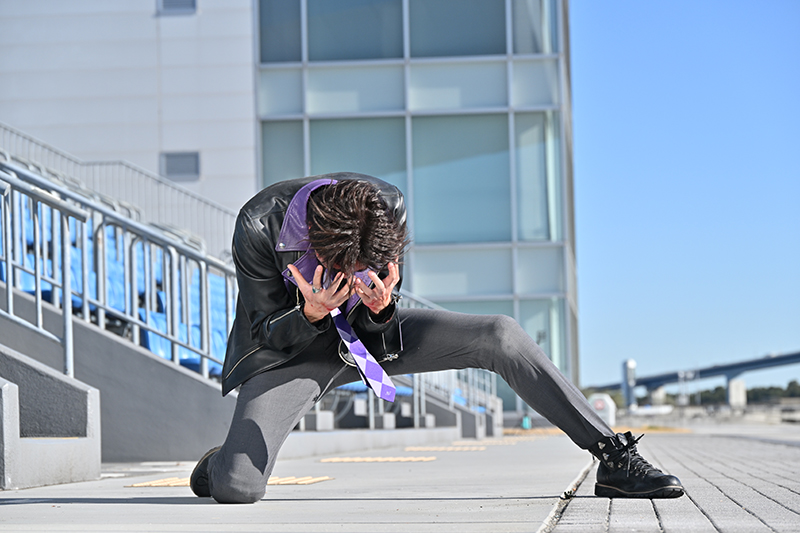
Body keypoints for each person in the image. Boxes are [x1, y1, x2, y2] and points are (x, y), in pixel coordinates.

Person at [190, 172, 684, 503]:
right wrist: (312, 311)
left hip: (369, 338)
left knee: (500, 334)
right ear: (319, 245)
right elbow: (264, 333)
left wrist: (381, 310)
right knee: (239, 487)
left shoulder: (385, 208)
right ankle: (221, 461)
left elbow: (380, 321)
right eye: (348, 269)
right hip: (293, 351)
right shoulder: (258, 224)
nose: (359, 275)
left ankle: (612, 456)